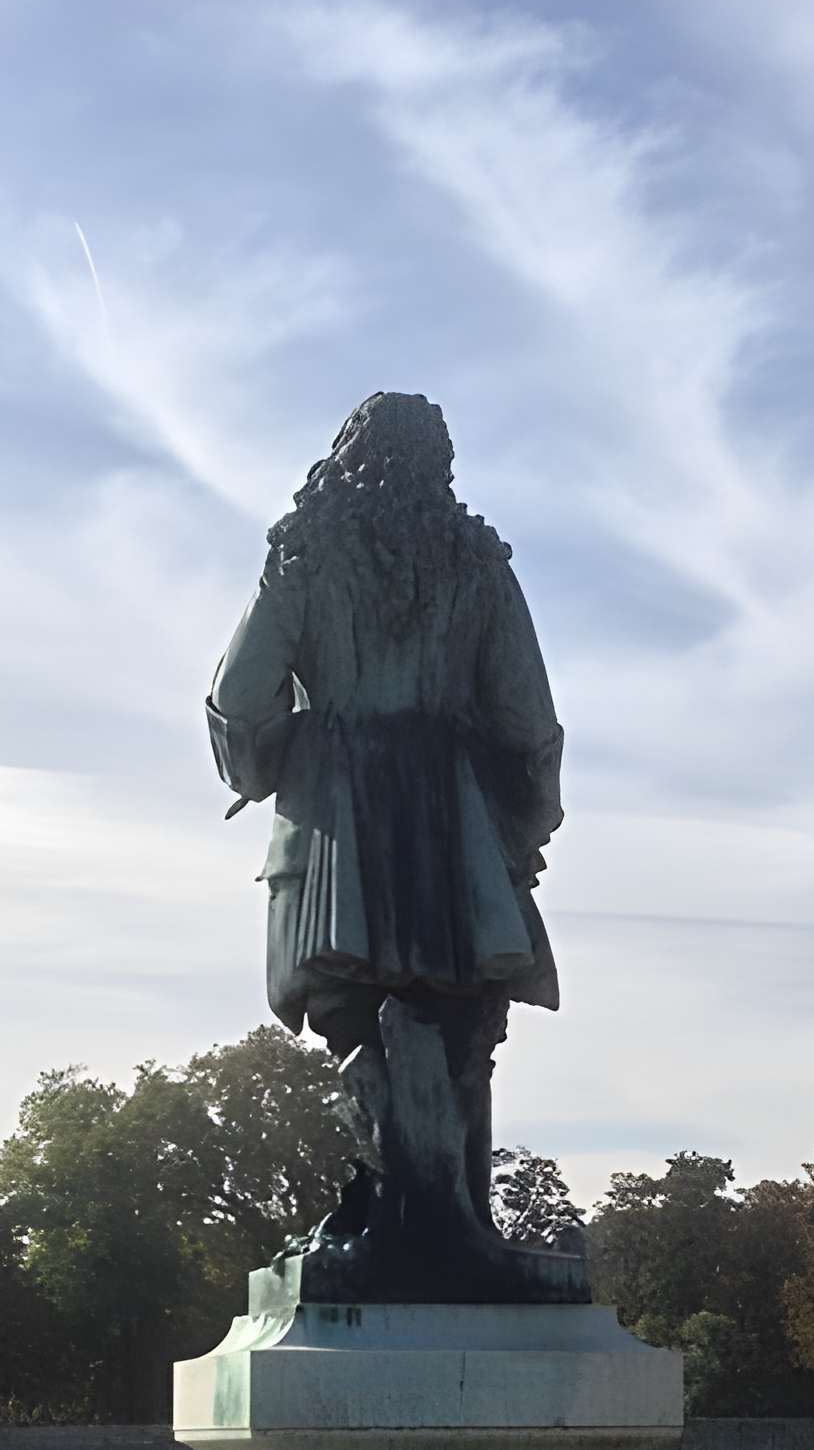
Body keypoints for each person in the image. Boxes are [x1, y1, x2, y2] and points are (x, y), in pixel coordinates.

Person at [204, 392, 579, 1298]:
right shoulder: (479, 564)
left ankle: (389, 1215)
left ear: (344, 458)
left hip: (341, 821)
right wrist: (525, 821)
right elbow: (529, 719)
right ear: (440, 469)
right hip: (456, 821)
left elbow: (242, 694)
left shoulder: (305, 552)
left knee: (353, 1016)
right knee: (463, 1032)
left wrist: (269, 758)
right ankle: (457, 1221)